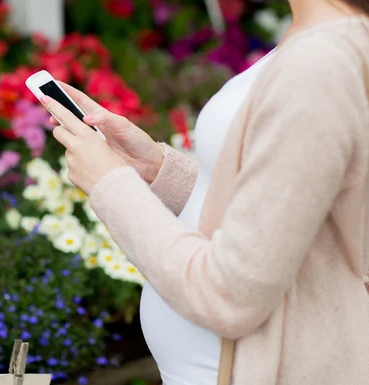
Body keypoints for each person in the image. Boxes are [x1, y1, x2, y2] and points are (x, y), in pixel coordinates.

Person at [41, 0, 369, 384]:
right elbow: (288, 210)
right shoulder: (321, 40)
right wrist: (157, 171)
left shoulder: (321, 63)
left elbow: (231, 296)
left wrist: (111, 187)